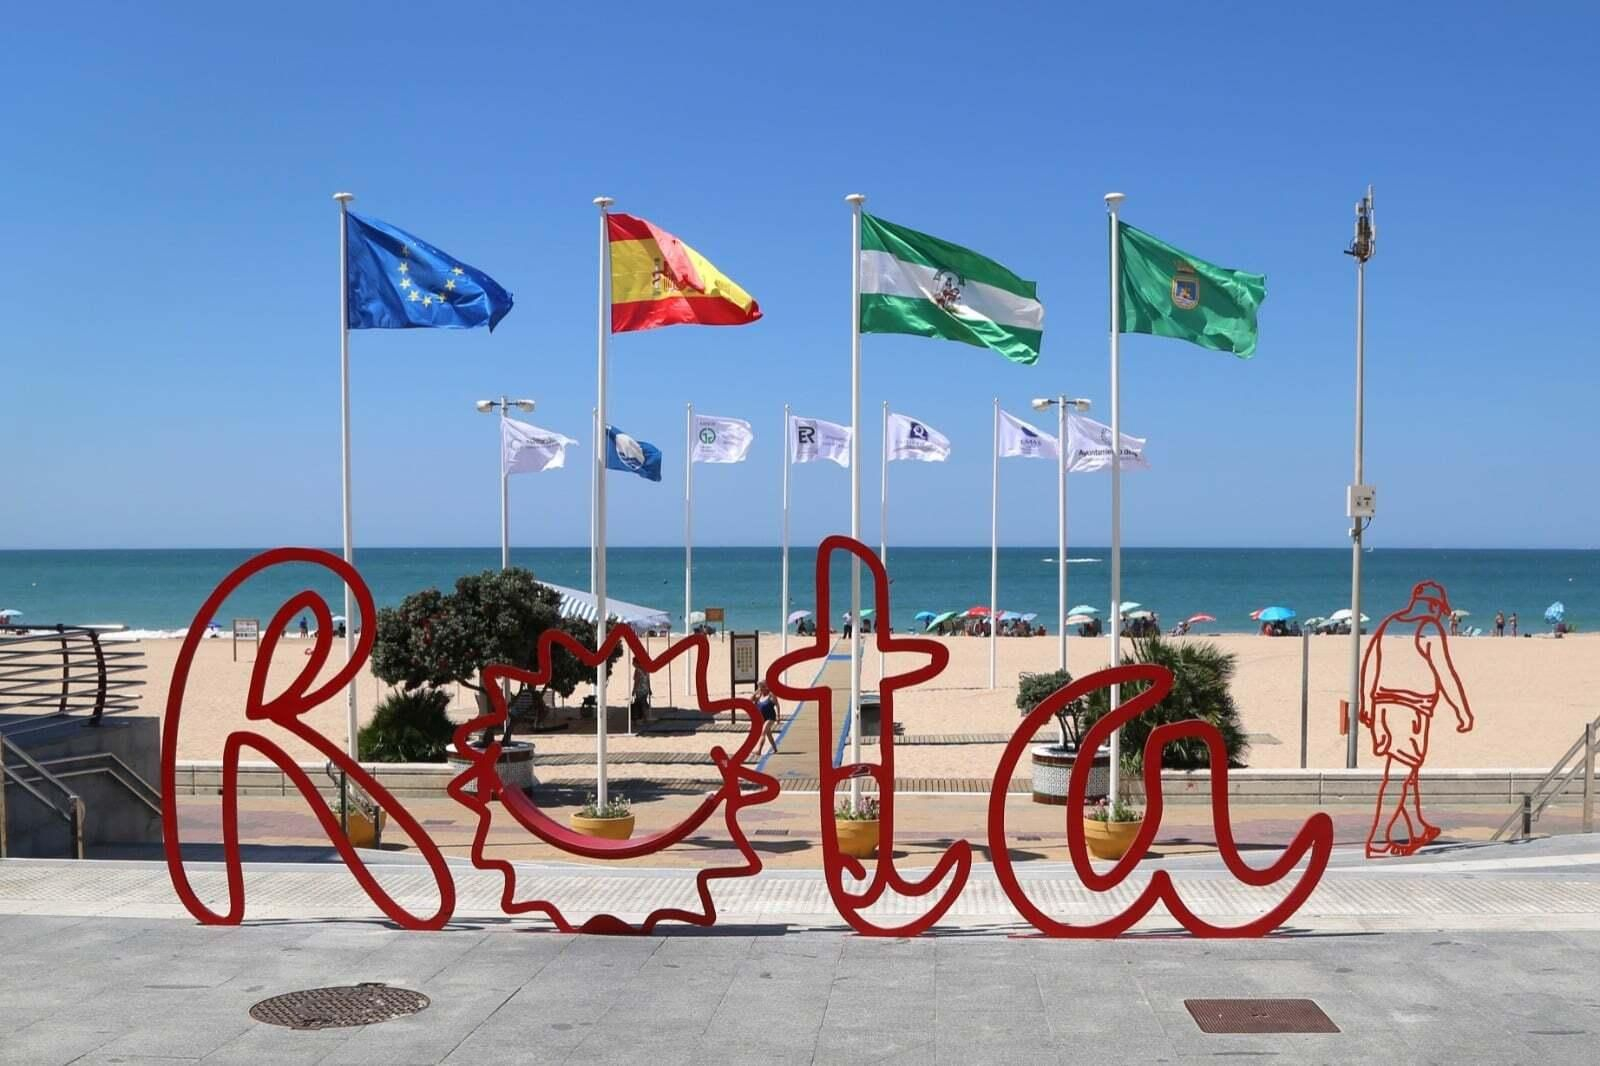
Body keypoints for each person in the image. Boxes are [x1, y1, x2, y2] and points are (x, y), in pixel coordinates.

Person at [1359, 581, 1473, 858]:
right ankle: (1377, 838)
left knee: (1405, 772)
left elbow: (1370, 669)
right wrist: (1461, 711)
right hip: (1409, 711)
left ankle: (1417, 826)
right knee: (1399, 773)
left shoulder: (1388, 626)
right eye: (1440, 609)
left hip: (1383, 707)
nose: (1439, 615)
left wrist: (1366, 707)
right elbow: (1445, 673)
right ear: (1433, 606)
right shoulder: (1427, 628)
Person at [754, 681, 780, 757]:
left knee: (763, 733)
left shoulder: (771, 695)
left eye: (761, 687)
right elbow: (750, 700)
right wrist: (756, 692)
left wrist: (778, 717)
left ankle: (759, 751)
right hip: (762, 718)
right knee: (769, 734)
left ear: (765, 687)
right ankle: (775, 749)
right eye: (759, 688)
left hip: (770, 717)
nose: (760, 689)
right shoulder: (760, 695)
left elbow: (777, 705)